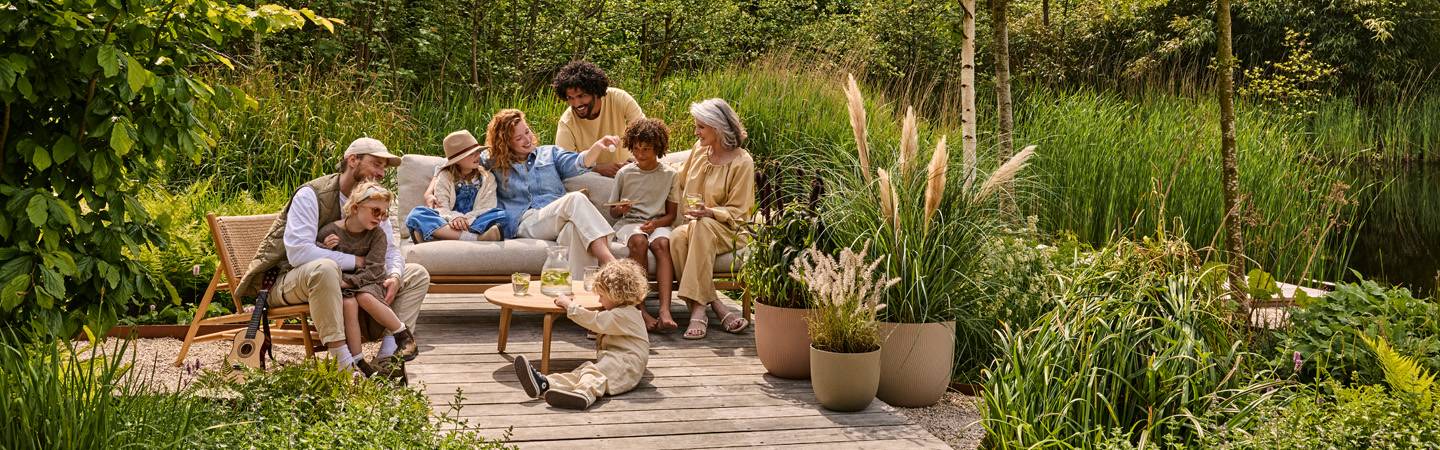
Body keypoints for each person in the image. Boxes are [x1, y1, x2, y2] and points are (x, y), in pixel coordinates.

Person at [235, 137, 430, 373]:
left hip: (354, 282)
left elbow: (389, 250)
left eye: (384, 168)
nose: (381, 173)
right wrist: (356, 261)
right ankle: (344, 365)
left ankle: (389, 360)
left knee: (416, 274)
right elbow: (299, 253)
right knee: (325, 268)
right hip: (291, 279)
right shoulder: (311, 195)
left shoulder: (375, 201)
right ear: (353, 160)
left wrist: (396, 275)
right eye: (376, 164)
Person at [427, 109, 622, 275]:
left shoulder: (550, 154)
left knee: (573, 231)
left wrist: (597, 147)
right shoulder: (493, 160)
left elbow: (580, 162)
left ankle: (575, 299)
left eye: (527, 132)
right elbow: (451, 163)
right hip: (525, 222)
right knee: (576, 199)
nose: (527, 140)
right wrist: (430, 191)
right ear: (505, 142)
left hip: (558, 217)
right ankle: (610, 262)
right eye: (519, 138)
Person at [512, 259, 650, 410]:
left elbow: (593, 320)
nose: (599, 300)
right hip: (620, 362)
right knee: (582, 372)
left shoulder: (624, 315)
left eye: (602, 296)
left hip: (626, 365)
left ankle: (584, 394)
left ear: (615, 294)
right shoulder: (625, 312)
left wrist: (568, 304)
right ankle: (545, 384)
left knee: (593, 373)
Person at [671, 98, 755, 340]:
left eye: (701, 127)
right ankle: (717, 305)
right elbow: (680, 178)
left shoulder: (742, 162)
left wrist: (711, 212)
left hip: (730, 229)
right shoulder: (699, 150)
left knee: (704, 225)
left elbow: (740, 211)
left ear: (718, 128)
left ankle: (698, 310)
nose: (696, 132)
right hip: (697, 224)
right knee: (677, 237)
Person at [317, 182, 415, 377]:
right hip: (341, 286)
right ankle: (358, 361)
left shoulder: (377, 235)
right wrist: (324, 247)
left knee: (364, 297)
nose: (380, 218)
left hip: (367, 283)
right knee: (348, 304)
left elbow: (376, 270)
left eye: (384, 214)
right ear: (355, 208)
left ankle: (403, 335)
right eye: (375, 211)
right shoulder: (330, 231)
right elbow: (316, 259)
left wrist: (349, 282)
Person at [608, 119, 679, 332]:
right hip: (629, 223)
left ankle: (665, 310)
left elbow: (671, 215)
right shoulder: (625, 173)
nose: (640, 154)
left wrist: (655, 224)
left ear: (658, 148)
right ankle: (641, 309)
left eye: (646, 149)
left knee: (662, 244)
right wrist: (621, 209)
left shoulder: (670, 175)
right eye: (636, 148)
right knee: (638, 241)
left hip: (658, 223)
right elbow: (612, 211)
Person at [405, 130, 511, 243]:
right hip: (448, 221)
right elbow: (442, 207)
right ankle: (477, 238)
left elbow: (487, 207)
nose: (478, 155)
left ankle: (439, 234)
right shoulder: (445, 176)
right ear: (458, 160)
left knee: (502, 215)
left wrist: (465, 220)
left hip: (475, 220)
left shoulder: (487, 178)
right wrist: (455, 218)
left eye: (478, 151)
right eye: (471, 153)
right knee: (417, 214)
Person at [553, 61, 646, 178]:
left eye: (581, 96)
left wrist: (635, 160)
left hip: (632, 167)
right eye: (570, 98)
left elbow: (646, 133)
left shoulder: (620, 98)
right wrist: (597, 168)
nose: (576, 104)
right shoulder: (566, 122)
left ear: (596, 92)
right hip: (595, 177)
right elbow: (564, 165)